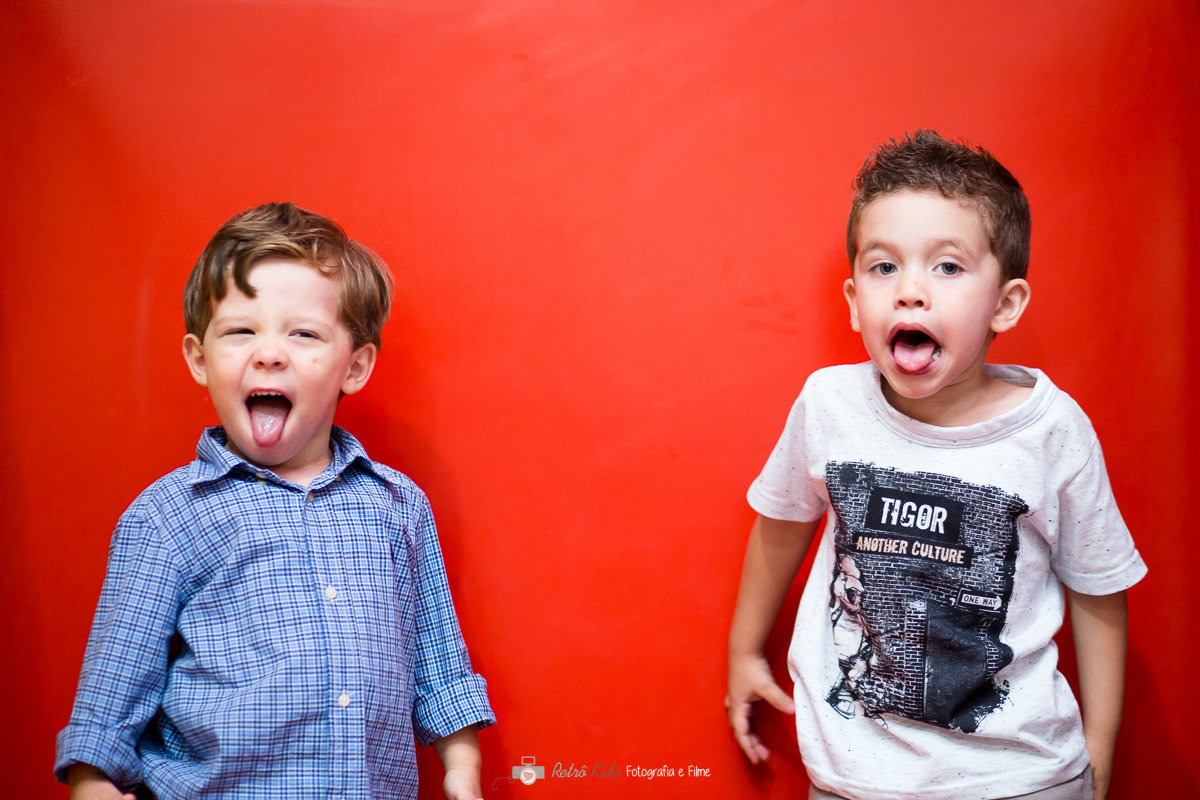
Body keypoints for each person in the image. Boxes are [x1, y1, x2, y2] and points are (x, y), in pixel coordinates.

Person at [726, 131, 1145, 800]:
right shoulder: (829, 405)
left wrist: (1100, 748)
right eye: (883, 267)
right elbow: (781, 524)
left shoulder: (1051, 431)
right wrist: (745, 651)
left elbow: (1099, 589)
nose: (911, 291)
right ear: (854, 298)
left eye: (947, 267)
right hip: (851, 776)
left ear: (1005, 304)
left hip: (1021, 778)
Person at [55, 202, 495, 800]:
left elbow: (440, 669)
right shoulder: (166, 517)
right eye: (241, 330)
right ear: (198, 358)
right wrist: (93, 784)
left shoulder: (398, 506)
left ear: (356, 367)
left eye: (304, 333)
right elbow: (108, 704)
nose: (269, 353)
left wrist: (462, 775)